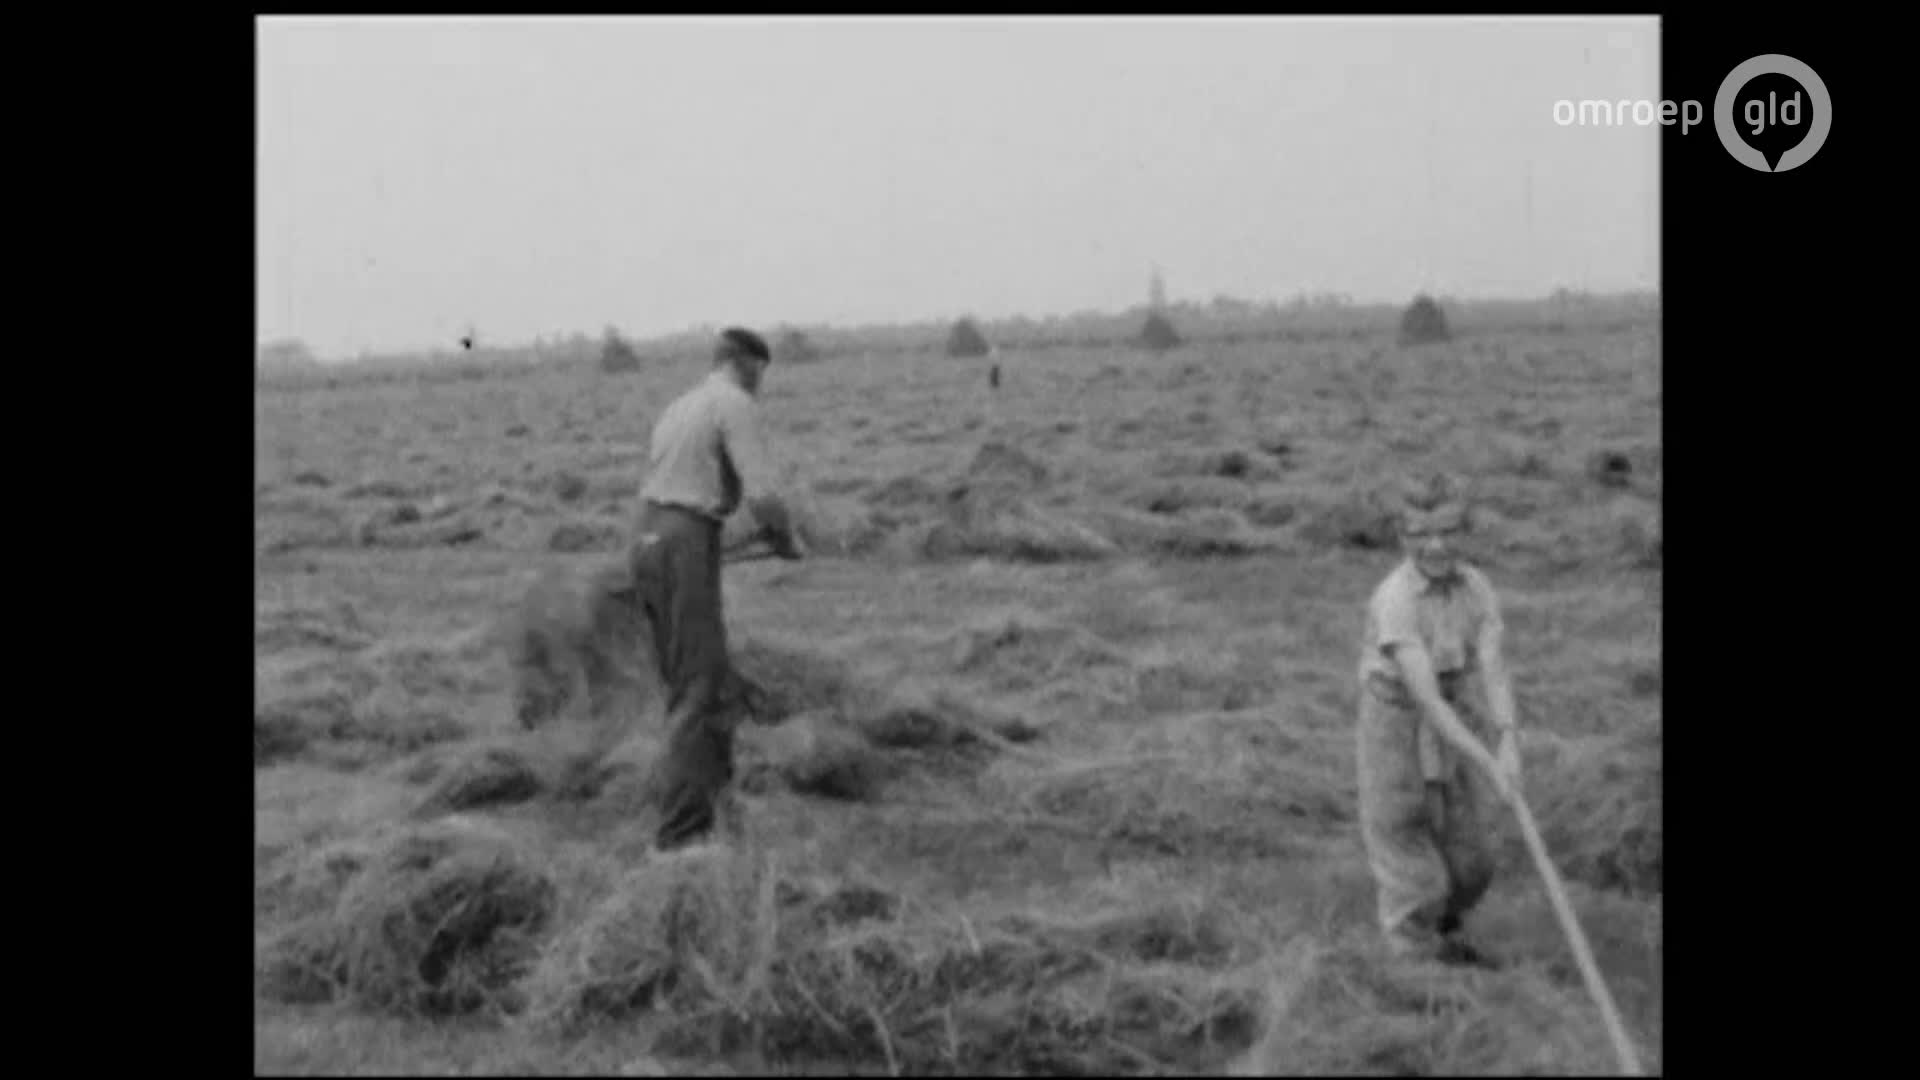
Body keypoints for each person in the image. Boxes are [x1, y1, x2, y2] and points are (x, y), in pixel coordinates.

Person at [627, 326, 803, 850]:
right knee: (700, 689)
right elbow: (765, 493)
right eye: (759, 371)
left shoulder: (680, 407)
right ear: (744, 363)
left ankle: (717, 809)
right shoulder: (734, 403)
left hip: (647, 539)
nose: (761, 384)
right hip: (684, 542)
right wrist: (784, 535)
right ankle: (681, 840)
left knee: (700, 681)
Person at [1354, 471, 1523, 966]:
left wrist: (1508, 740)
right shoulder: (1395, 601)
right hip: (1397, 720)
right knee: (1410, 857)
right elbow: (1426, 701)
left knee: (1472, 862)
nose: (1434, 545)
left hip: (1454, 711)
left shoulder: (1476, 588)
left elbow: (1492, 667)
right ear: (1400, 535)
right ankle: (1410, 968)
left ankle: (1444, 937)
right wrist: (1491, 765)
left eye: (1448, 531)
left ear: (1465, 529)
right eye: (1419, 533)